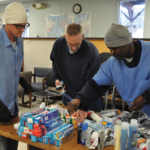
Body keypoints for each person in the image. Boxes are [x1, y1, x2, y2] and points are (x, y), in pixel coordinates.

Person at [67, 23, 150, 122]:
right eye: (109, 48)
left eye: (115, 48)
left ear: (127, 42)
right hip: (141, 120)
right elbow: (95, 85)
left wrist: (146, 97)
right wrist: (79, 99)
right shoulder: (112, 64)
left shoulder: (148, 52)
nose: (112, 52)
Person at [50, 23, 104, 112]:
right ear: (65, 37)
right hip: (68, 97)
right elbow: (55, 62)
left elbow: (93, 82)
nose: (74, 48)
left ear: (83, 36)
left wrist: (80, 100)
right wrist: (56, 78)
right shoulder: (58, 45)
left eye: (77, 44)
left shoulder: (91, 51)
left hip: (89, 99)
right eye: (70, 44)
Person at [0, 2, 30, 150]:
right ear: (8, 22)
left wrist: (22, 80)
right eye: (19, 26)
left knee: (13, 144)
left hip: (13, 107)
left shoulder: (19, 41)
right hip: (0, 106)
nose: (23, 30)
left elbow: (14, 66)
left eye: (25, 26)